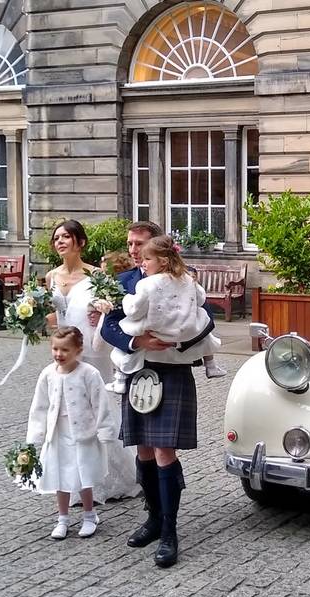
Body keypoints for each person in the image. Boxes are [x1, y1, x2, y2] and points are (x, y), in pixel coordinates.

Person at [99, 221, 213, 568]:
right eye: (130, 244)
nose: (133, 250)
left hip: (172, 369)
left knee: (164, 450)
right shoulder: (123, 282)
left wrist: (177, 342)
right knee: (144, 449)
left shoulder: (183, 277)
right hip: (138, 369)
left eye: (139, 244)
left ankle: (169, 530)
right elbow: (109, 325)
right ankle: (151, 518)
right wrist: (137, 341)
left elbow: (207, 322)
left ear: (160, 249)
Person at [45, 219, 140, 505]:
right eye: (57, 238)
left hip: (92, 349)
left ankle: (113, 475)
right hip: (64, 352)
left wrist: (100, 313)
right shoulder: (50, 277)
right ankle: (76, 479)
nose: (60, 242)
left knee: (99, 410)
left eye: (66, 237)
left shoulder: (97, 275)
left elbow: (108, 313)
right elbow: (53, 317)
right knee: (68, 414)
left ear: (80, 242)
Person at [26, 327, 119, 539]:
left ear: (78, 350)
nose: (59, 354)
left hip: (83, 433)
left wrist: (105, 431)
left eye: (65, 350)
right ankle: (63, 518)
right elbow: (40, 405)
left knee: (82, 473)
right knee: (60, 474)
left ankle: (89, 514)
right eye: (55, 349)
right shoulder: (48, 374)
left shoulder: (89, 373)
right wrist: (35, 435)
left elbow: (100, 404)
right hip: (57, 433)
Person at [106, 235, 224, 394]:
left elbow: (134, 311)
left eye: (147, 258)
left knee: (126, 326)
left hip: (164, 344)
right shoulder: (187, 278)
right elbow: (201, 299)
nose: (143, 262)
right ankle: (210, 364)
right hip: (182, 331)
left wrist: (126, 299)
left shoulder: (146, 284)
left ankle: (120, 379)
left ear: (163, 261)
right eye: (130, 244)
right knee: (202, 322)